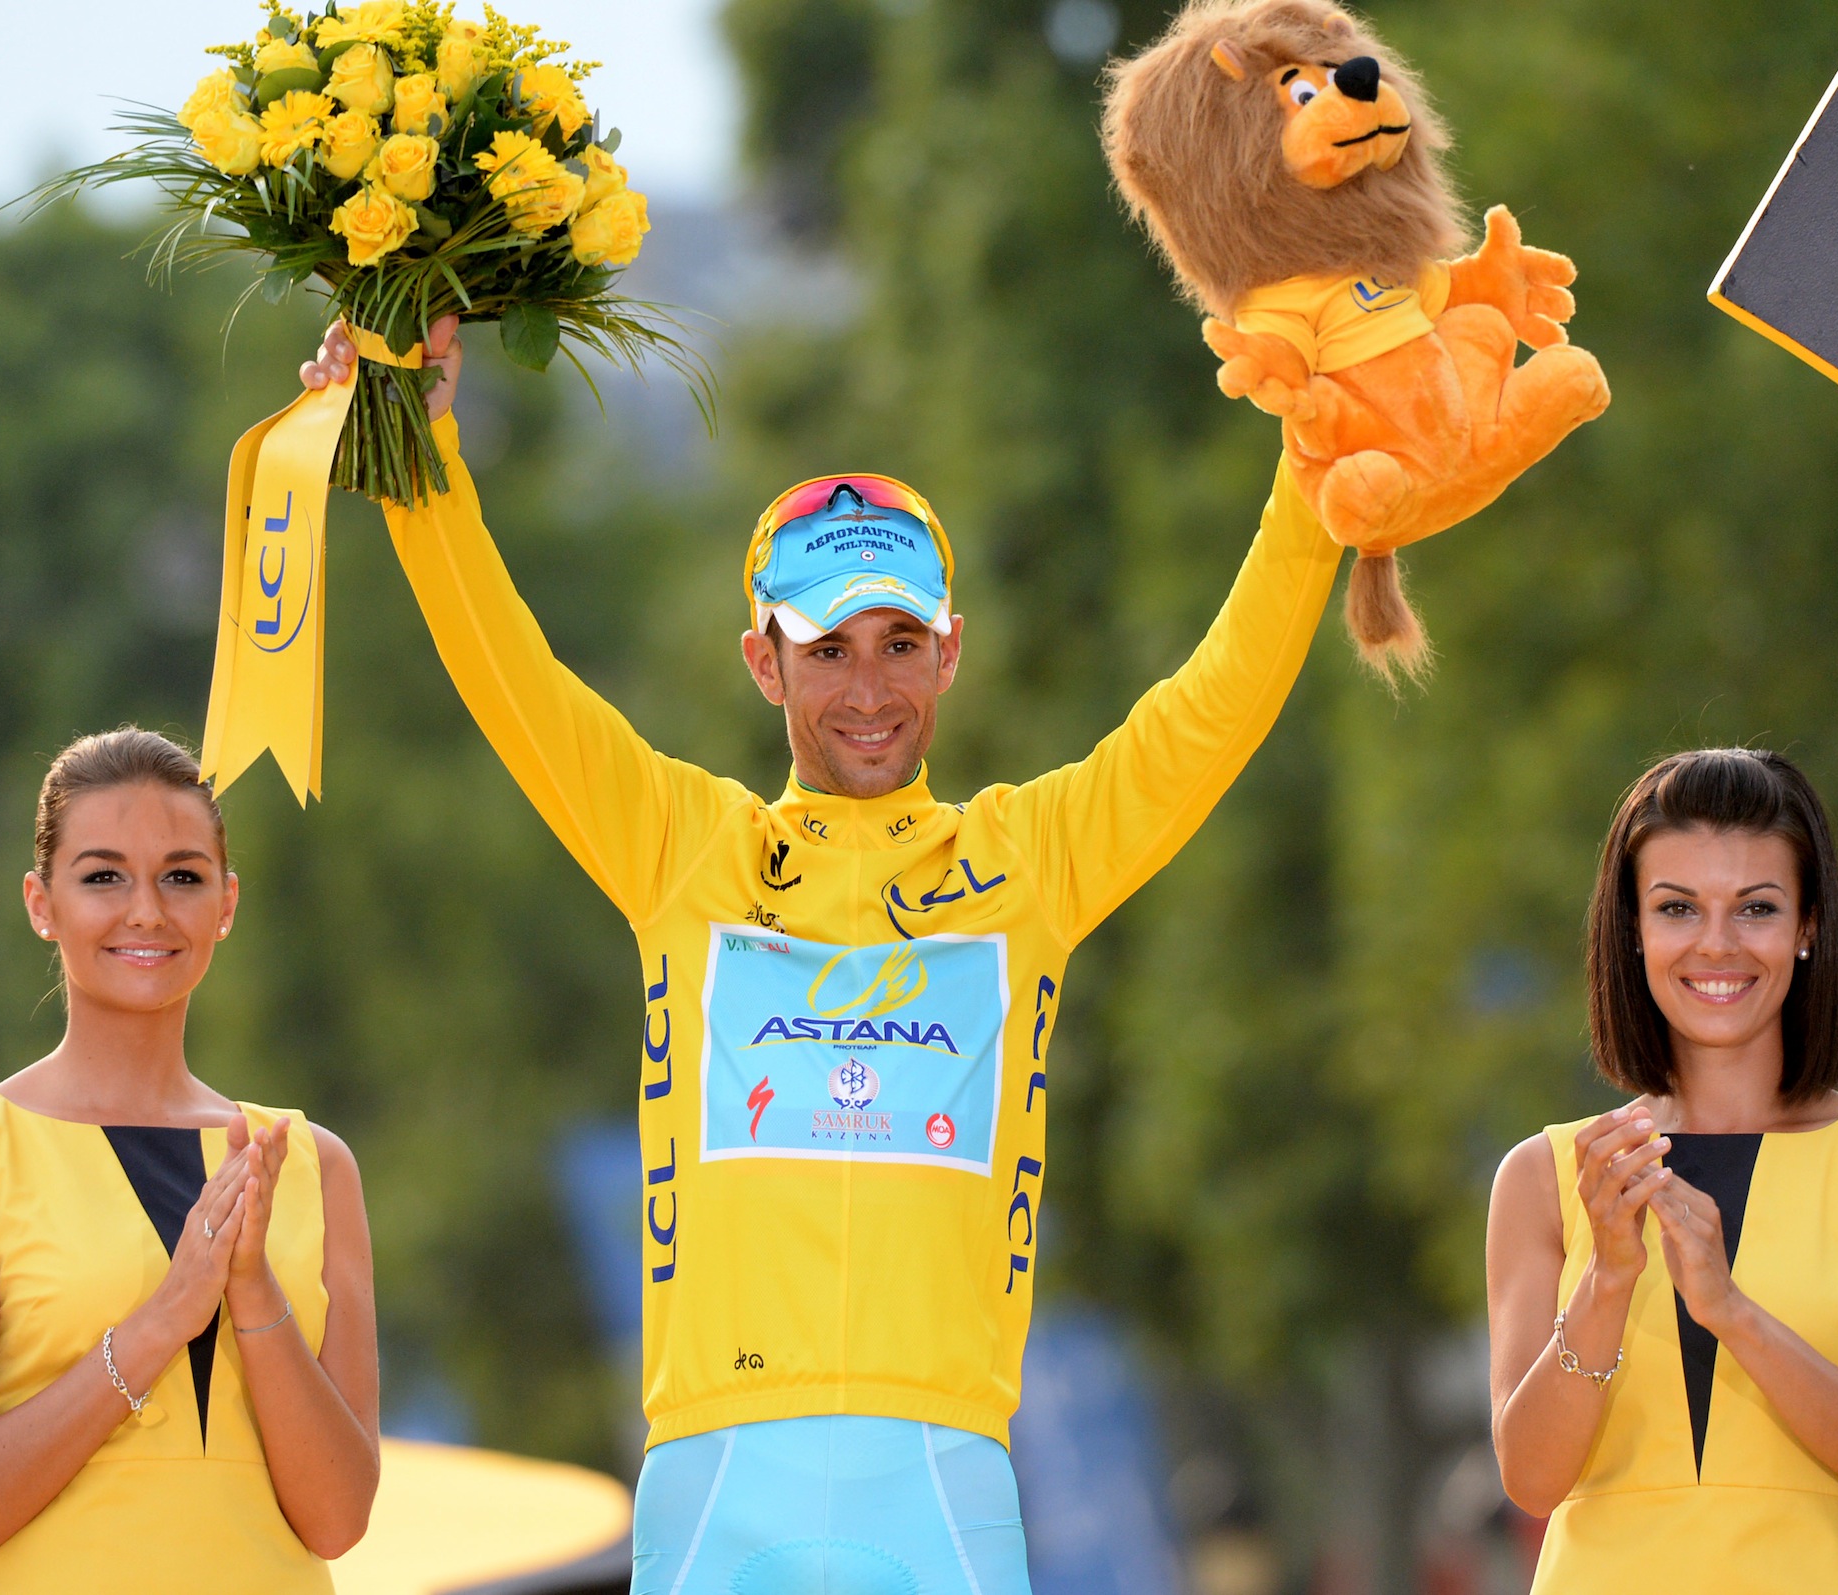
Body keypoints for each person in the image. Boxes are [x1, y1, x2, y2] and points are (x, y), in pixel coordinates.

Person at [299, 313, 1352, 1591]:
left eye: (900, 642)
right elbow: (510, 673)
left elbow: (1215, 703)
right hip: (720, 1474)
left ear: (950, 651)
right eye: (829, 648)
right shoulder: (686, 847)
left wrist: (1314, 471)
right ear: (765, 662)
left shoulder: (1030, 862)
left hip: (945, 1471)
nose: (868, 688)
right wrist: (422, 455)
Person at [0, 728, 380, 1591]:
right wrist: (155, 1327)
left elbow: (336, 1519)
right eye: (103, 875)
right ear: (42, 902)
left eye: (182, 875)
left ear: (226, 901)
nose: (146, 908)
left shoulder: (310, 1162)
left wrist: (253, 1292)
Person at [1484, 747, 1838, 1593]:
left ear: (1808, 924)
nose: (1717, 944)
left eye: (1756, 907)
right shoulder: (1545, 1174)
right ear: (1632, 927)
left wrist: (1731, 1310)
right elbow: (1530, 1477)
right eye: (1677, 907)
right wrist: (1607, 1277)